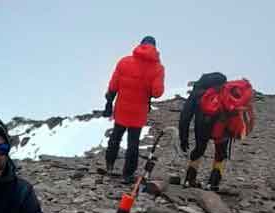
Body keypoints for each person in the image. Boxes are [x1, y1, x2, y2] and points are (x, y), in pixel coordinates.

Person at [103, 36, 165, 181]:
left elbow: (113, 85)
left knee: (115, 137)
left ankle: (110, 166)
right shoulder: (158, 68)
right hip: (139, 112)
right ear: (154, 48)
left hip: (122, 108)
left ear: (140, 45)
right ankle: (127, 174)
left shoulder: (124, 61)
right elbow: (157, 93)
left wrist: (108, 103)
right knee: (133, 143)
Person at [179, 72, 255, 192]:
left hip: (203, 124)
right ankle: (213, 184)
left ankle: (189, 180)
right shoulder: (225, 92)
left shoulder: (197, 93)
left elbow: (185, 116)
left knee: (199, 149)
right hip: (222, 124)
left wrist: (183, 137)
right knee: (220, 153)